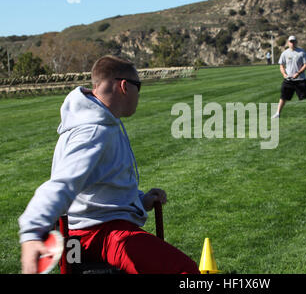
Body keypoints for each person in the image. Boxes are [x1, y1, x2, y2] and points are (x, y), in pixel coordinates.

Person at [19, 55, 199, 274]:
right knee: (184, 271)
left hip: (86, 231)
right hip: (98, 234)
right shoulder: (94, 131)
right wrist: (31, 232)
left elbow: (97, 189)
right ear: (124, 86)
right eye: (138, 86)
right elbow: (63, 183)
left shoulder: (98, 122)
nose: (139, 94)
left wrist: (141, 200)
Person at [272, 35, 306, 119]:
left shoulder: (302, 52)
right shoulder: (285, 53)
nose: (292, 43)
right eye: (290, 41)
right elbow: (281, 65)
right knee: (283, 97)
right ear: (288, 43)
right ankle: (278, 113)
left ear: (296, 42)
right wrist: (284, 74)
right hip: (288, 80)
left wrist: (298, 73)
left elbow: (305, 65)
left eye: (293, 41)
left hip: (300, 79)